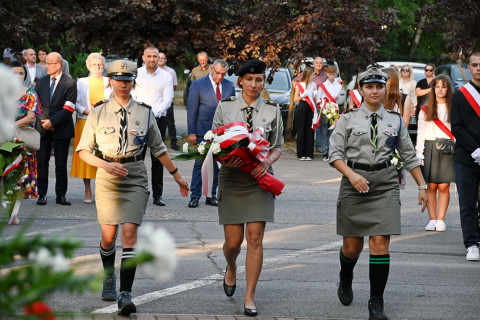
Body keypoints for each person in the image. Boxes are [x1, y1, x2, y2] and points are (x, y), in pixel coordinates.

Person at [76, 60, 189, 316]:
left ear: (133, 83)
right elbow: (83, 151)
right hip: (107, 177)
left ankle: (125, 294)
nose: (123, 84)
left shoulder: (145, 112)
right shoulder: (98, 112)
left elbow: (158, 149)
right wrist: (104, 165)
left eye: (127, 80)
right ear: (111, 82)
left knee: (129, 235)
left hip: (135, 175)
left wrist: (177, 176)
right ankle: (108, 276)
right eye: (118, 79)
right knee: (108, 236)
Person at [329, 67, 427, 320]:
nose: (374, 91)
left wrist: (422, 186)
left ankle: (376, 303)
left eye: (379, 86)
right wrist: (351, 175)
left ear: (385, 89)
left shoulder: (394, 120)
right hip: (354, 184)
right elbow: (335, 155)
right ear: (360, 90)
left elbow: (408, 155)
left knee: (380, 245)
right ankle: (346, 276)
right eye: (369, 86)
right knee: (352, 248)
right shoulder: (347, 118)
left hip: (384, 184)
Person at [212, 59, 283, 317]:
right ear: (240, 80)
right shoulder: (225, 106)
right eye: (249, 79)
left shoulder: (273, 110)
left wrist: (268, 162)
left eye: (259, 80)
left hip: (259, 179)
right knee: (233, 242)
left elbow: (277, 146)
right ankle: (231, 267)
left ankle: (250, 296)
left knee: (255, 238)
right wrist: (224, 158)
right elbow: (214, 142)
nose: (254, 84)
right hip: (232, 178)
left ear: (263, 82)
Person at [187, 59, 235, 208]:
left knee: (216, 165)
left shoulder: (229, 86)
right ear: (211, 69)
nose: (220, 77)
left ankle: (211, 195)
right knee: (200, 164)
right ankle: (195, 196)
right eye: (218, 73)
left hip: (222, 133)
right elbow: (192, 110)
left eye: (223, 74)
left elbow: (231, 110)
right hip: (203, 131)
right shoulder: (198, 85)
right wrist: (192, 132)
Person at [132, 46, 174, 207]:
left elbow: (167, 99)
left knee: (158, 158)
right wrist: (144, 114)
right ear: (143, 57)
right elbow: (133, 95)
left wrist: (153, 114)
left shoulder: (166, 76)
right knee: (137, 157)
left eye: (155, 56)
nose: (152, 59)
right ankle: (138, 192)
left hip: (158, 120)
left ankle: (158, 195)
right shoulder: (137, 74)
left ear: (158, 58)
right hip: (138, 120)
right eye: (149, 56)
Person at [34, 52, 77, 206]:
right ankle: (42, 195)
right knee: (42, 163)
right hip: (43, 129)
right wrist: (45, 122)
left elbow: (69, 108)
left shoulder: (70, 83)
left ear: (58, 65)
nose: (46, 66)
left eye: (49, 63)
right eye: (45, 63)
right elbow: (36, 105)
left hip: (61, 129)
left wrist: (52, 122)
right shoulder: (40, 82)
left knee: (61, 163)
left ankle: (61, 195)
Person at [451, 52, 480, 261]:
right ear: (468, 68)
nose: (478, 68)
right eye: (475, 65)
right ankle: (471, 243)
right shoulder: (460, 94)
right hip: (466, 158)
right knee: (467, 203)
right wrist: (475, 149)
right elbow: (457, 127)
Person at [416, 75, 455, 232]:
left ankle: (441, 220)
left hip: (448, 149)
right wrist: (419, 153)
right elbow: (420, 133)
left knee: (444, 186)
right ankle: (432, 219)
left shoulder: (454, 108)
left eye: (443, 86)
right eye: (437, 86)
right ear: (432, 89)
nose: (440, 89)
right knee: (431, 186)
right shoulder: (426, 108)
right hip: (430, 147)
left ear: (448, 89)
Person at [72, 53, 112, 203]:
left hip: (105, 123)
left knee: (105, 154)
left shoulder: (109, 81)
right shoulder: (81, 82)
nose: (98, 67)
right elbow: (75, 102)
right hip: (85, 121)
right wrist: (85, 111)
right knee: (86, 154)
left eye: (100, 64)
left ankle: (103, 189)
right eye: (94, 64)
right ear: (88, 66)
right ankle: (88, 190)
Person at [10, 61, 42, 223]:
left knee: (20, 176)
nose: (17, 76)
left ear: (25, 75)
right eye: (14, 73)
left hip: (21, 138)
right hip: (3, 138)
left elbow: (31, 117)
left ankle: (14, 213)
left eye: (20, 73)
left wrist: (11, 125)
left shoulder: (30, 93)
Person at [293, 57, 328, 153]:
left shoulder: (325, 75)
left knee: (316, 126)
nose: (319, 65)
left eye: (321, 63)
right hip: (305, 104)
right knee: (304, 128)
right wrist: (300, 91)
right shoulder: (306, 74)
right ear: (313, 63)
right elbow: (295, 82)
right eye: (317, 63)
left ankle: (316, 147)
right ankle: (302, 151)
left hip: (317, 102)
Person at [316, 64, 343, 161]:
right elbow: (318, 98)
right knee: (324, 131)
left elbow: (338, 99)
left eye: (333, 74)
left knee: (332, 132)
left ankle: (331, 151)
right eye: (330, 74)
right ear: (327, 74)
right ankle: (324, 152)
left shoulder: (339, 86)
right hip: (324, 110)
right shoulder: (323, 86)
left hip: (334, 110)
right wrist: (322, 104)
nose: (332, 76)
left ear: (336, 74)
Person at [293, 67, 316, 160]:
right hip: (302, 106)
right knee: (301, 129)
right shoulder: (299, 85)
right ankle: (301, 153)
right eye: (313, 75)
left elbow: (314, 97)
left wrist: (315, 95)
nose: (314, 76)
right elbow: (295, 99)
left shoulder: (314, 84)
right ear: (308, 75)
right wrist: (302, 95)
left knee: (310, 129)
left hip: (311, 107)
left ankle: (309, 154)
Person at [158, 51, 179, 150]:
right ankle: (157, 142)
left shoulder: (171, 71)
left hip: (167, 101)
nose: (161, 60)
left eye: (163, 58)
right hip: (156, 101)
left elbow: (174, 86)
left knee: (170, 122)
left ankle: (173, 142)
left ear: (166, 60)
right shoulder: (154, 71)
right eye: (159, 58)